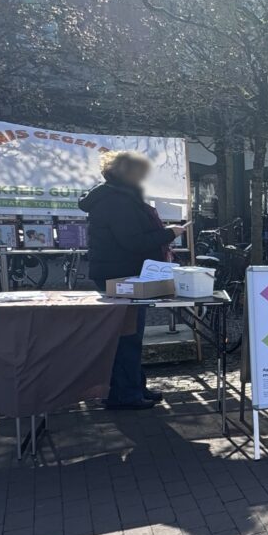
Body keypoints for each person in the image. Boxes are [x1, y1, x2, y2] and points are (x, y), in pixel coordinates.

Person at [79, 150, 182, 411]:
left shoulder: (117, 197)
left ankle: (133, 386)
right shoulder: (117, 201)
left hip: (125, 274)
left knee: (130, 336)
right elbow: (133, 242)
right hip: (122, 275)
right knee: (127, 337)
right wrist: (169, 233)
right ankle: (124, 394)